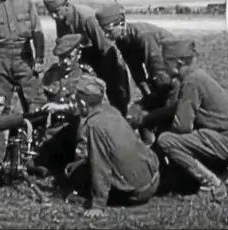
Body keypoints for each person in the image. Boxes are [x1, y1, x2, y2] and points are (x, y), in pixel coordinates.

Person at [153, 39, 228, 201]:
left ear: (178, 63)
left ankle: (213, 186)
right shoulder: (198, 77)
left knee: (166, 140)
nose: (164, 66)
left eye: (166, 62)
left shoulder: (191, 82)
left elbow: (182, 126)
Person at [66, 74, 160, 218]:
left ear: (84, 103)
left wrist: (98, 205)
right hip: (153, 180)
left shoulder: (94, 125)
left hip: (135, 194)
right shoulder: (111, 110)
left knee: (75, 173)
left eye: (78, 101)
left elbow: (99, 165)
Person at [43, 0, 130, 117]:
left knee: (118, 103)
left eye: (56, 11)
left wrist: (112, 78)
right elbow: (65, 48)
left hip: (107, 60)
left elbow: (107, 48)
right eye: (50, 13)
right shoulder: (60, 19)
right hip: (86, 63)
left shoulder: (87, 18)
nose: (53, 16)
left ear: (66, 5)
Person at [31, 34, 101, 177]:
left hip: (78, 130)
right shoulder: (52, 74)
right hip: (57, 129)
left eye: (69, 57)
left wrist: (60, 107)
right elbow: (40, 99)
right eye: (62, 57)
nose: (65, 62)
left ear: (79, 53)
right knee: (37, 162)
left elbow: (89, 108)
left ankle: (79, 167)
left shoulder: (87, 76)